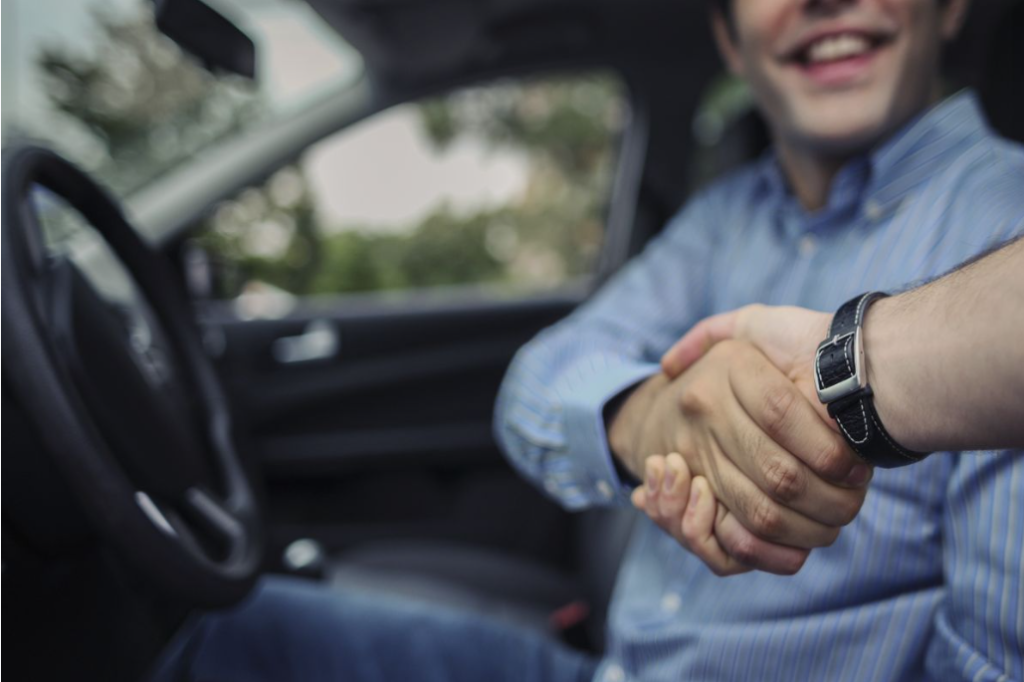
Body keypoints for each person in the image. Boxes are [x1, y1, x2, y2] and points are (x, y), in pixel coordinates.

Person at [152, 2, 1024, 681]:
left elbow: (992, 651)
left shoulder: (1004, 234)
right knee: (226, 629)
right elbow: (538, 380)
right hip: (612, 661)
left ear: (948, 9)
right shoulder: (729, 214)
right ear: (728, 38)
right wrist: (649, 420)